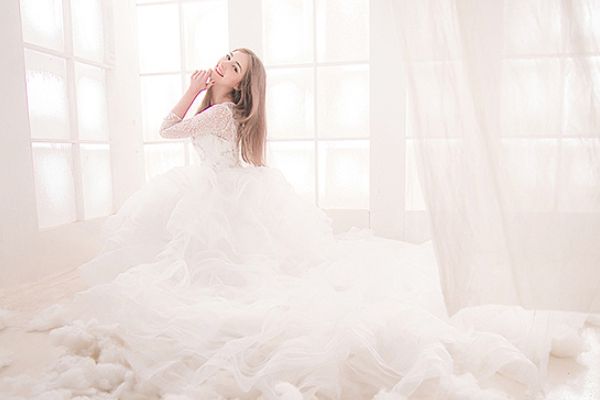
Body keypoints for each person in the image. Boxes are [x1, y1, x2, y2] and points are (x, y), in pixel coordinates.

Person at [0, 49, 589, 400]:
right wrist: (203, 89)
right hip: (224, 192)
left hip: (223, 198)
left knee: (225, 278)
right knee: (220, 267)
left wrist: (192, 86)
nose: (222, 65)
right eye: (225, 58)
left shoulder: (220, 111)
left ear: (239, 84)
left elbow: (166, 130)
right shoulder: (223, 110)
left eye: (232, 66)